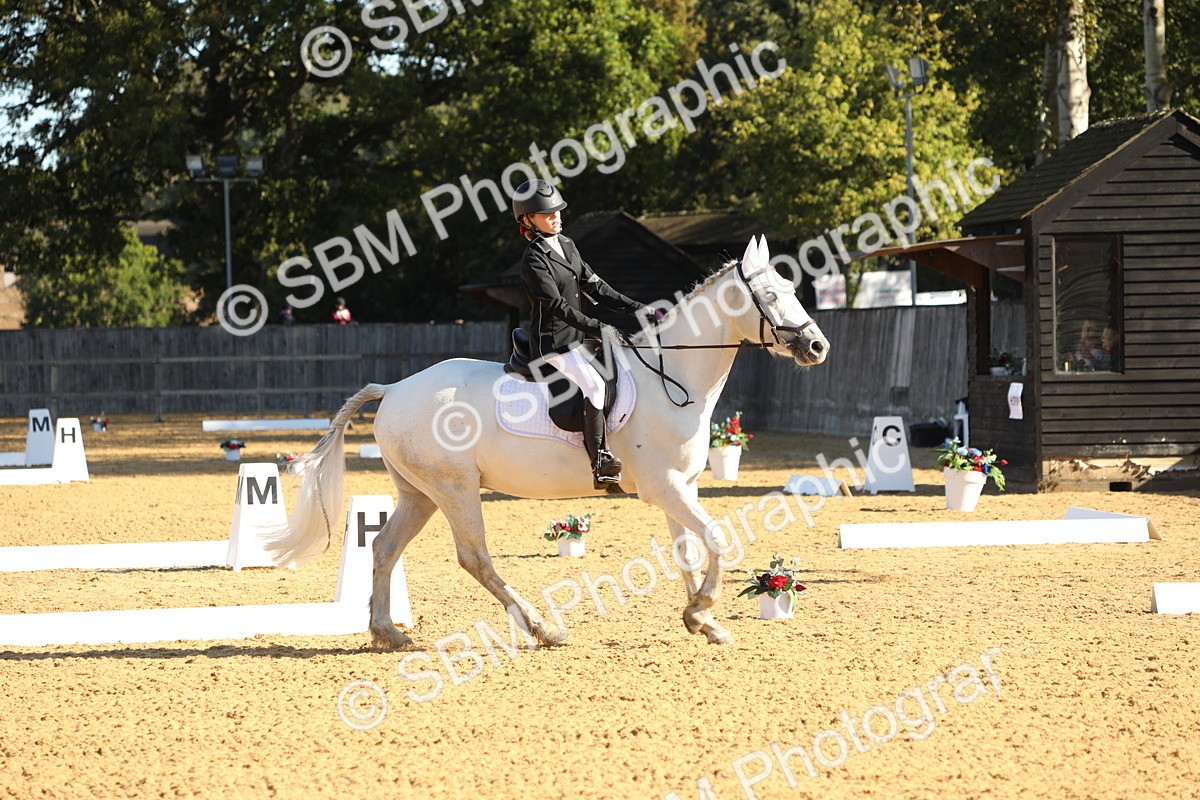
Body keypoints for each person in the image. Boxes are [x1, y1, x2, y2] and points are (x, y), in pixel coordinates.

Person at [512, 179, 653, 490]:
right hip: (553, 343)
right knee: (594, 384)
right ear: (528, 221)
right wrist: (599, 327)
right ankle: (600, 460)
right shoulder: (533, 259)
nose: (556, 217)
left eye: (557, 212)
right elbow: (558, 307)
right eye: (547, 215)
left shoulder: (568, 245)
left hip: (578, 337)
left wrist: (638, 308)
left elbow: (597, 288)